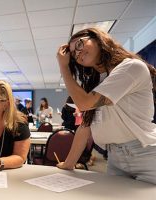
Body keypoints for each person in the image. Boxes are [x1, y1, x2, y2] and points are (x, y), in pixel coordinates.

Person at [56, 27, 156, 184]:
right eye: (74, 54)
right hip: (114, 157)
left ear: (97, 38)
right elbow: (85, 126)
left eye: (80, 44)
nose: (78, 53)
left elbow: (84, 104)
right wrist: (68, 164)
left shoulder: (130, 67)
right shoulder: (99, 81)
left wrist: (64, 67)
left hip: (145, 154)